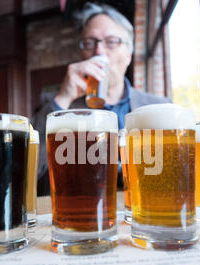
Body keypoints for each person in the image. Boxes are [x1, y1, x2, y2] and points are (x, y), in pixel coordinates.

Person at [33, 2, 172, 195]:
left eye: (111, 42)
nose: (98, 52)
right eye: (90, 43)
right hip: (85, 217)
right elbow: (31, 170)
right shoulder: (57, 107)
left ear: (129, 54)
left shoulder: (159, 108)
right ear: (82, 53)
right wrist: (64, 96)